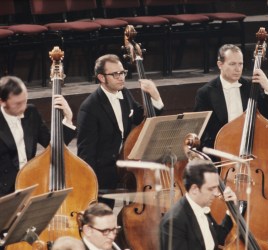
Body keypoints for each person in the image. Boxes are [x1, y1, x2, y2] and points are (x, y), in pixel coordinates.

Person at [76, 54, 164, 208]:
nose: (121, 77)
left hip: (128, 166)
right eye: (115, 74)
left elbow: (142, 120)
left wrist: (155, 97)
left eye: (122, 72)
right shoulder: (89, 108)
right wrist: (91, 185)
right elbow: (86, 153)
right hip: (103, 172)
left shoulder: (124, 93)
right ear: (101, 78)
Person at [0, 76, 76, 197]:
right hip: (4, 193)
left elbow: (53, 147)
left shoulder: (31, 113)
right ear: (2, 102)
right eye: (18, 103)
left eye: (25, 101)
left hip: (30, 185)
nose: (23, 107)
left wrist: (68, 118)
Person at [194, 44, 268, 150]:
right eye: (232, 64)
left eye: (240, 64)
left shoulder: (251, 86)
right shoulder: (205, 93)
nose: (238, 69)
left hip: (251, 148)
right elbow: (201, 132)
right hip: (220, 152)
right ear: (220, 64)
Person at [160, 159, 237, 250]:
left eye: (216, 188)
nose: (216, 193)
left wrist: (231, 207)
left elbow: (218, 238)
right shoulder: (173, 222)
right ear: (195, 189)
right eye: (211, 189)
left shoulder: (202, 208)